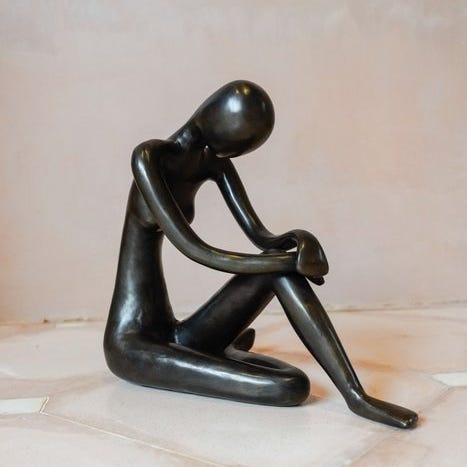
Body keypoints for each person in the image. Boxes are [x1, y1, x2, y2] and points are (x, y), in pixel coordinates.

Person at [104, 80, 417, 428]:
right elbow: (195, 249)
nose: (235, 154)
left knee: (279, 272)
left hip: (175, 336)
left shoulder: (215, 164)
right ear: (218, 118)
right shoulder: (149, 158)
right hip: (133, 344)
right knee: (290, 387)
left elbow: (262, 236)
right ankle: (223, 353)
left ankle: (356, 395)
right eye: (239, 141)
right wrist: (286, 261)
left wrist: (299, 240)